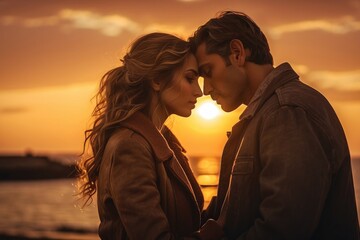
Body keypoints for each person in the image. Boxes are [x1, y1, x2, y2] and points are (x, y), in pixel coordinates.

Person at [189, 11, 360, 240]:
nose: (206, 89)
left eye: (208, 72)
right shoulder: (268, 114)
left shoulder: (286, 111)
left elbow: (283, 229)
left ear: (237, 53)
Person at [77, 32, 204, 239]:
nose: (199, 91)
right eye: (190, 78)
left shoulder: (162, 142)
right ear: (156, 80)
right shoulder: (130, 146)